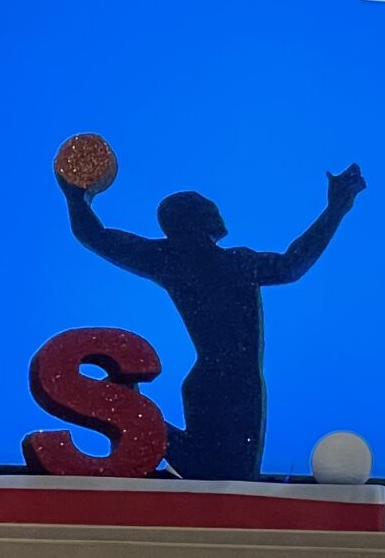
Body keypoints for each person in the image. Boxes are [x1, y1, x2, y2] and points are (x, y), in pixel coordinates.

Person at [59, 155, 363, 481]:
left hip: (220, 381)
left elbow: (96, 236)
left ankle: (130, 412)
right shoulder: (224, 262)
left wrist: (76, 197)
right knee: (230, 480)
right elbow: (291, 265)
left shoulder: (173, 259)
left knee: (226, 477)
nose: (216, 212)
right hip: (230, 384)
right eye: (208, 207)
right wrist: (335, 209)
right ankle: (129, 412)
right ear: (193, 221)